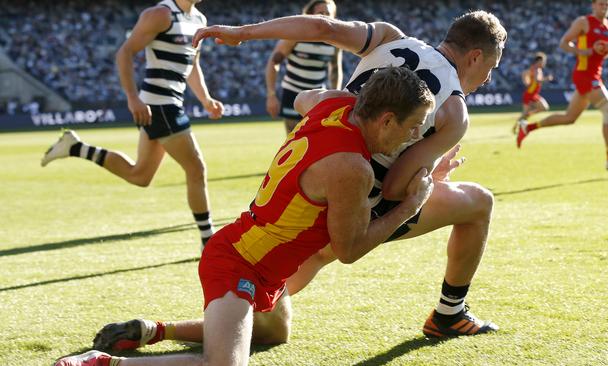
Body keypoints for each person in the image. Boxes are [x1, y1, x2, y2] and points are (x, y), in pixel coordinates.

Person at [90, 10, 506, 351]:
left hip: (311, 181)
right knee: (479, 202)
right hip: (355, 199)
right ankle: (449, 314)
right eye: (490, 67)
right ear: (474, 56)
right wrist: (430, 179)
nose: (487, 78)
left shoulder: (388, 37)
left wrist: (243, 30)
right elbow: (398, 187)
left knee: (270, 315)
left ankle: (159, 330)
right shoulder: (454, 110)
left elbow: (320, 30)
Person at [55, 67, 436, 366]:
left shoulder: (335, 108)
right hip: (238, 263)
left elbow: (305, 98)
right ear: (386, 120)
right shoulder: (353, 168)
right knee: (222, 364)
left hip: (262, 262)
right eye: (412, 125)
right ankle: (102, 363)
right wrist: (410, 206)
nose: (414, 135)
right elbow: (349, 249)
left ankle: (153, 330)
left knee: (274, 333)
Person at [41, 0, 225, 248]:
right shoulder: (160, 14)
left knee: (140, 175)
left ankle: (75, 147)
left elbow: (193, 65)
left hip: (170, 104)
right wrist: (132, 97)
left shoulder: (199, 20)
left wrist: (205, 99)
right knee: (196, 169)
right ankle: (208, 241)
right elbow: (124, 53)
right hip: (159, 105)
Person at [516, 0, 608, 171]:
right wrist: (580, 51)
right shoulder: (583, 22)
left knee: (569, 118)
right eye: (601, 4)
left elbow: (600, 53)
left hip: (594, 75)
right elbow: (564, 43)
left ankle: (527, 127)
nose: (604, 7)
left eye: (607, 5)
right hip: (584, 75)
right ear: (593, 5)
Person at [265, 0, 342, 134]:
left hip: (318, 96)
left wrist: (336, 96)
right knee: (295, 140)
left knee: (318, 140)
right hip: (293, 95)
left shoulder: (335, 42)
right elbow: (274, 62)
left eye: (327, 13)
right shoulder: (296, 35)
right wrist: (271, 94)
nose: (324, 16)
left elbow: (335, 70)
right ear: (310, 15)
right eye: (320, 13)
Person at [512, 52, 553, 134]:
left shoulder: (535, 69)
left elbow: (524, 73)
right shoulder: (536, 69)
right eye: (543, 61)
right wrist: (547, 79)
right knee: (525, 113)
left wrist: (525, 80)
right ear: (538, 61)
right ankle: (515, 128)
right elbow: (537, 80)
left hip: (533, 94)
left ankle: (527, 115)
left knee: (544, 107)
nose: (544, 63)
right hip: (529, 94)